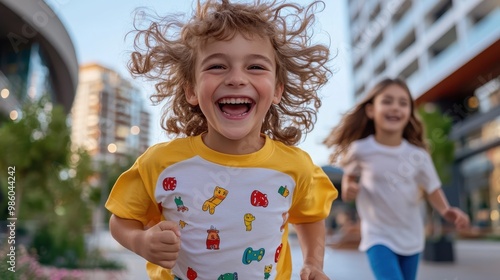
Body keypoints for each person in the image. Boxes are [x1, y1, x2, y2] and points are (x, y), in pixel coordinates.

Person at [105, 0, 338, 279]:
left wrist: (313, 263)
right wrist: (140, 242)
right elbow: (122, 220)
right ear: (191, 89)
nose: (237, 78)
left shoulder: (295, 166)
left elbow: (311, 217)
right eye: (217, 66)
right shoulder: (160, 163)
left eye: (255, 67)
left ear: (276, 90)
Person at [323, 78, 469, 280]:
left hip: (411, 236)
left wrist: (446, 210)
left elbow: (432, 187)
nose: (395, 108)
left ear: (409, 112)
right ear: (371, 110)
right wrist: (349, 187)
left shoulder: (418, 155)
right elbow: (349, 175)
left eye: (403, 103)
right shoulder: (360, 149)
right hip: (378, 236)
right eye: (387, 101)